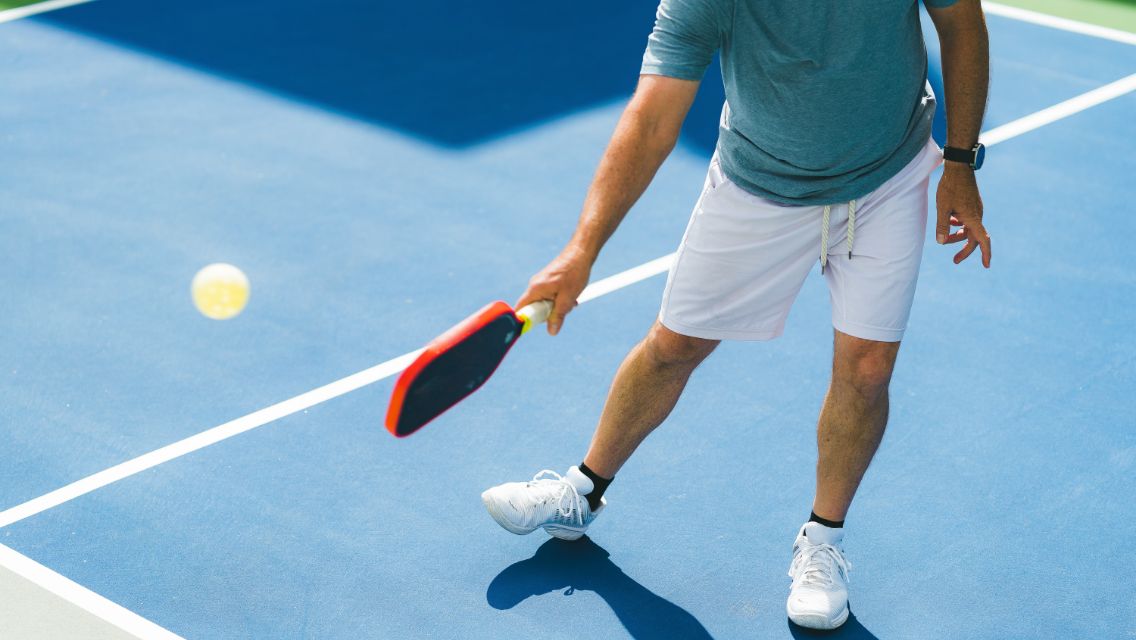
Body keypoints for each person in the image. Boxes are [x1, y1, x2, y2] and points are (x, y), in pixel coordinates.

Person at [481, 0, 991, 630]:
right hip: (759, 184)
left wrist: (961, 162)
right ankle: (581, 493)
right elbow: (651, 117)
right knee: (674, 347)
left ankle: (823, 540)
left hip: (889, 176)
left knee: (867, 367)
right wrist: (581, 250)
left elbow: (960, 18)